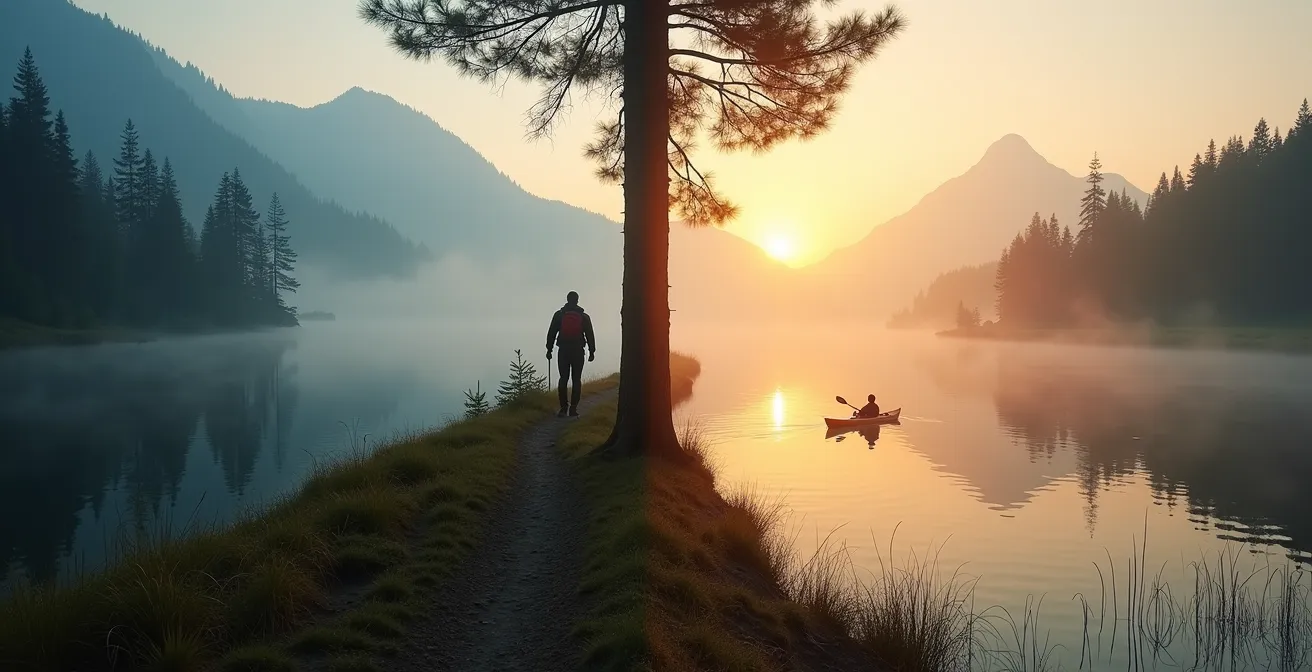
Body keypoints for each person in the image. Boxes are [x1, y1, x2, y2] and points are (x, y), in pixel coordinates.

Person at [546, 291, 596, 417]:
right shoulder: (584, 317)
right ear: (577, 300)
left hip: (563, 350)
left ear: (567, 300)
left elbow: (551, 333)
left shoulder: (559, 315)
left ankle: (563, 409)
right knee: (576, 379)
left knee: (563, 378)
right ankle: (573, 409)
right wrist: (592, 351)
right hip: (578, 350)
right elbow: (590, 334)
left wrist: (549, 350)